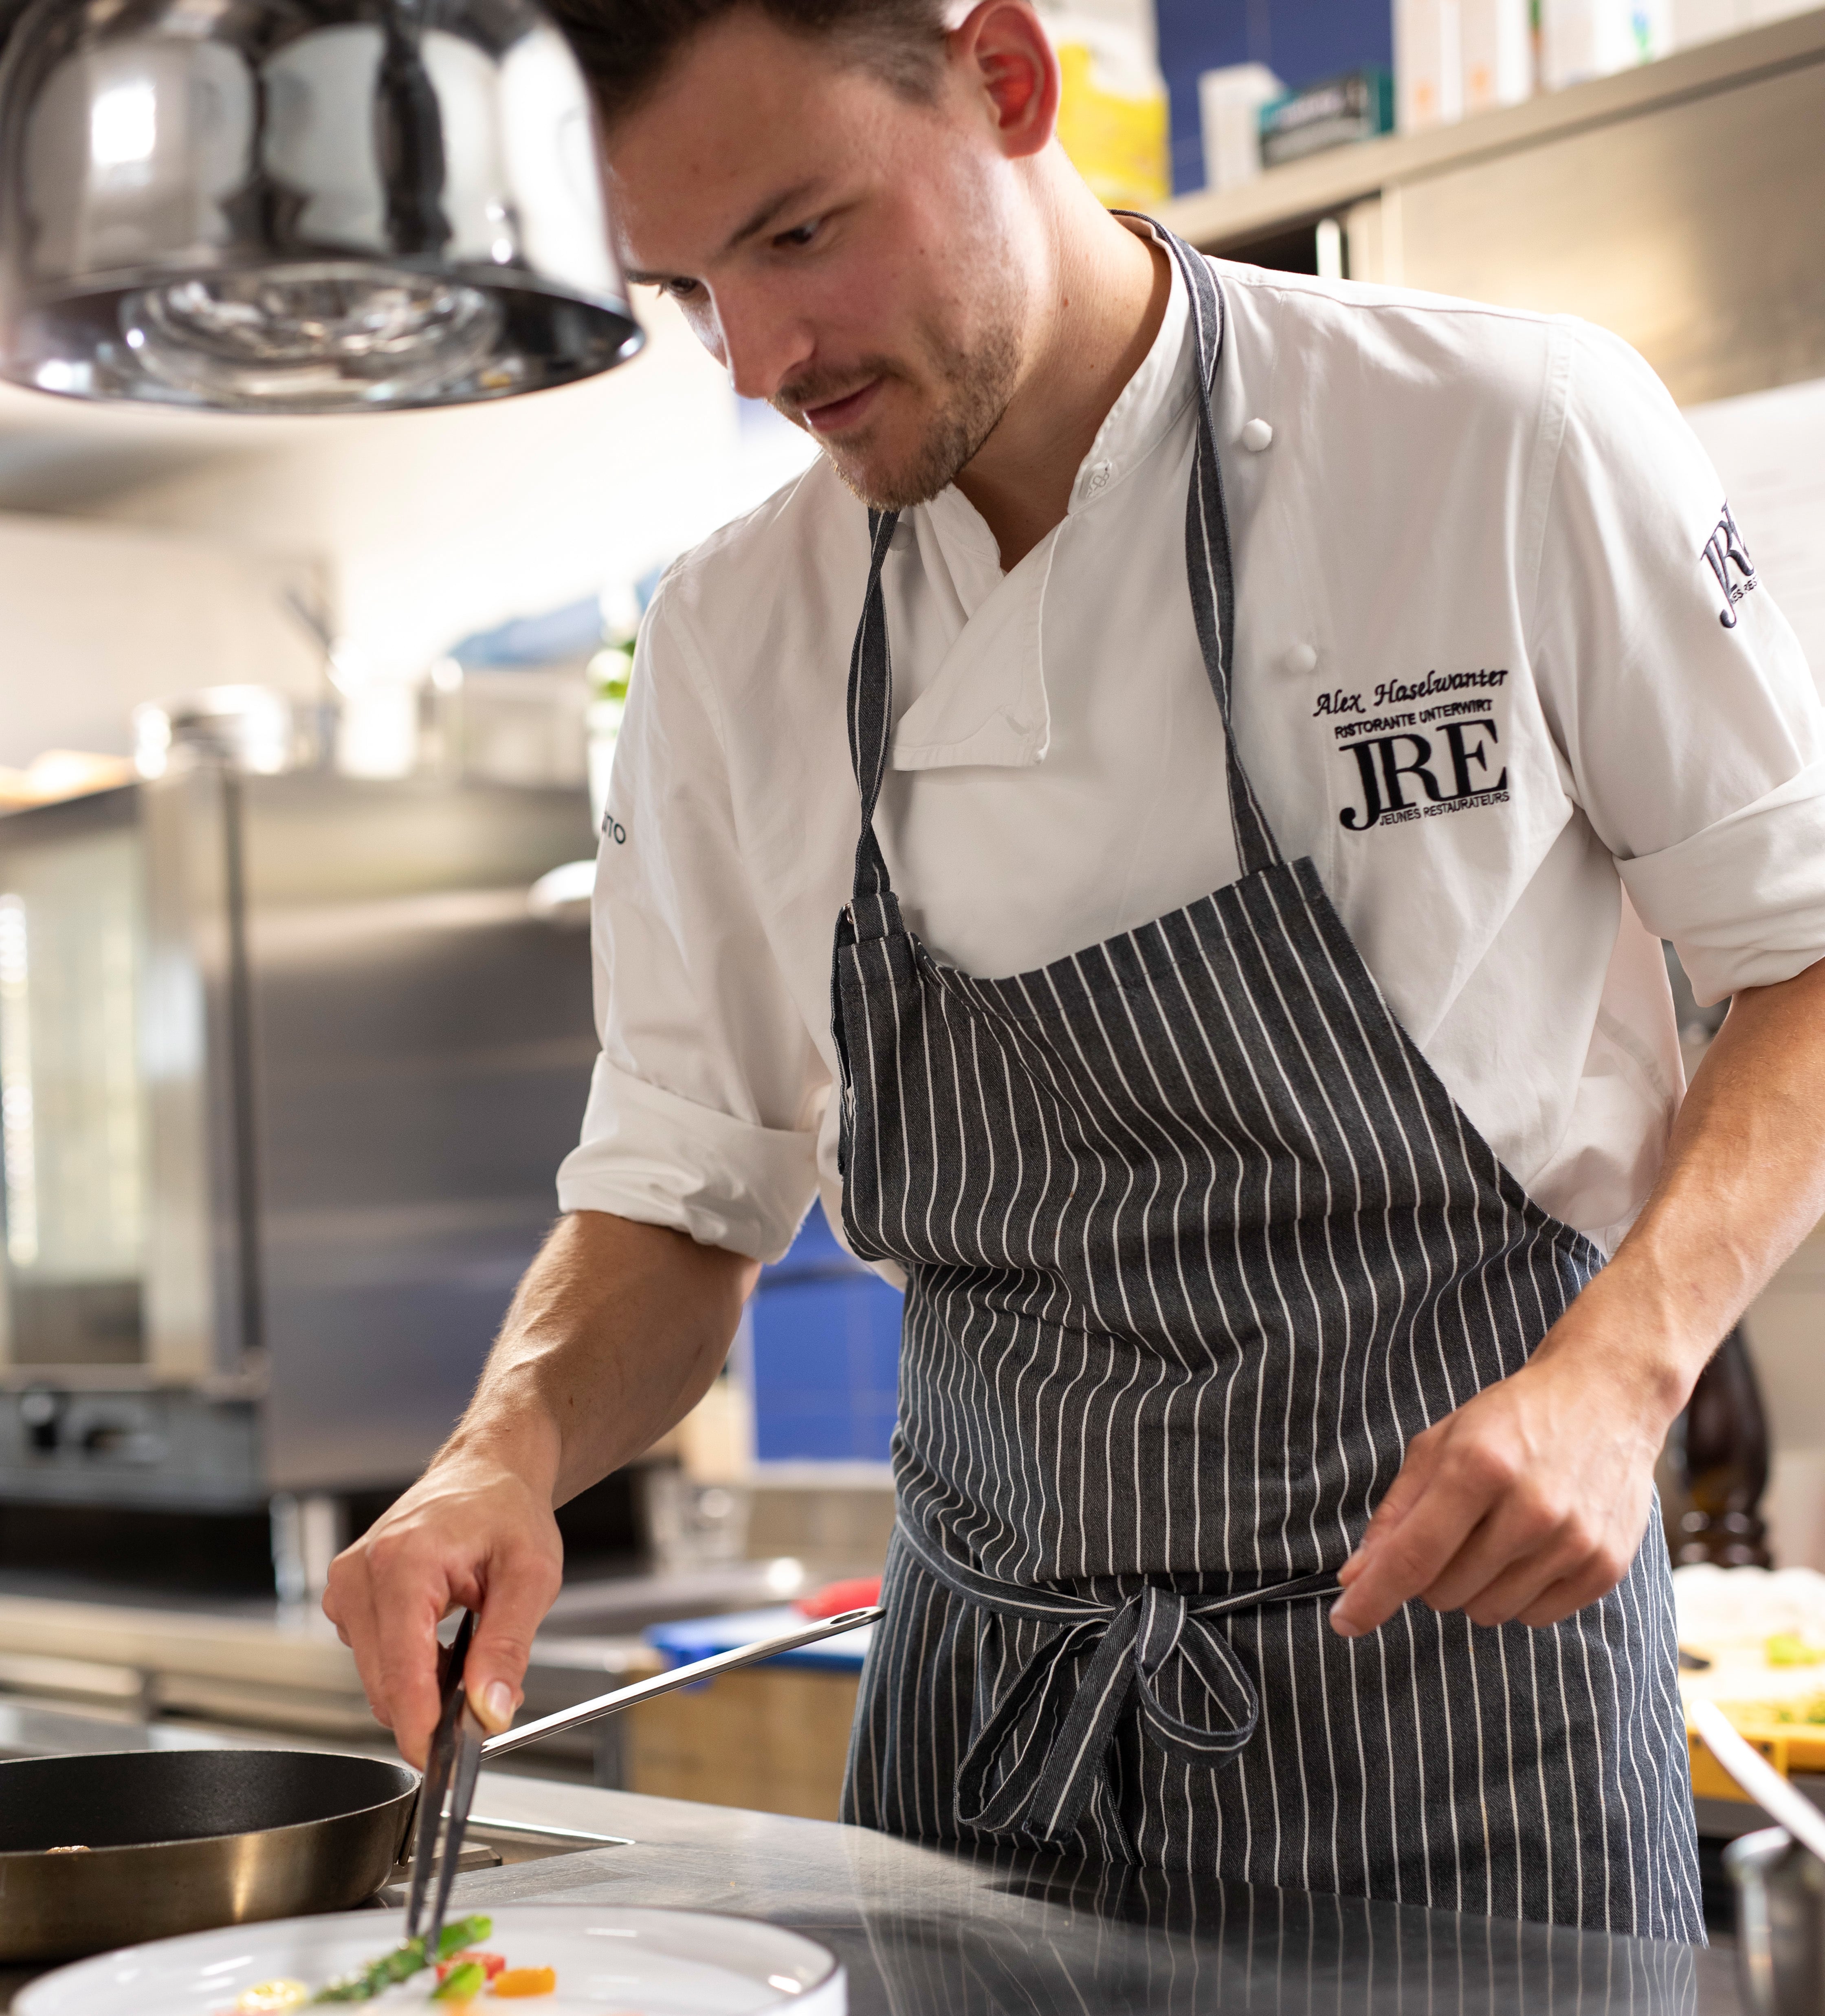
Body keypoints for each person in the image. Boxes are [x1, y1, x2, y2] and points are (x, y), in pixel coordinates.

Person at [323, 0, 1825, 1935]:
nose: (761, 360)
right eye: (688, 287)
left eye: (797, 235)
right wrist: (495, 1455)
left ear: (1007, 82)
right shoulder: (729, 643)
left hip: (1475, 1727)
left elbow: (1801, 955)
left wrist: (1618, 1377)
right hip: (978, 1750)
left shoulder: (1498, 436)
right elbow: (674, 1201)